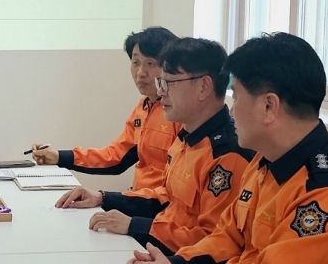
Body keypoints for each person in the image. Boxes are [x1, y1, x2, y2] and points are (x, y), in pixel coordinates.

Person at [129, 33, 328, 264]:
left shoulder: (318, 192)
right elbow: (227, 237)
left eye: (237, 97)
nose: (232, 110)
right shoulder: (263, 162)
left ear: (268, 106)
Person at [55, 38, 254, 254]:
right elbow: (164, 198)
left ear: (203, 87)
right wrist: (103, 198)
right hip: (161, 245)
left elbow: (212, 240)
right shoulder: (186, 138)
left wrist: (136, 226)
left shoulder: (227, 154)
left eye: (170, 83)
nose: (161, 92)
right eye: (161, 83)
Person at [32, 27, 180, 191]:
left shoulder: (180, 112)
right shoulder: (143, 107)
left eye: (150, 64)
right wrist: (60, 157)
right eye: (135, 62)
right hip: (139, 199)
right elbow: (115, 157)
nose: (140, 73)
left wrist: (108, 199)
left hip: (161, 203)